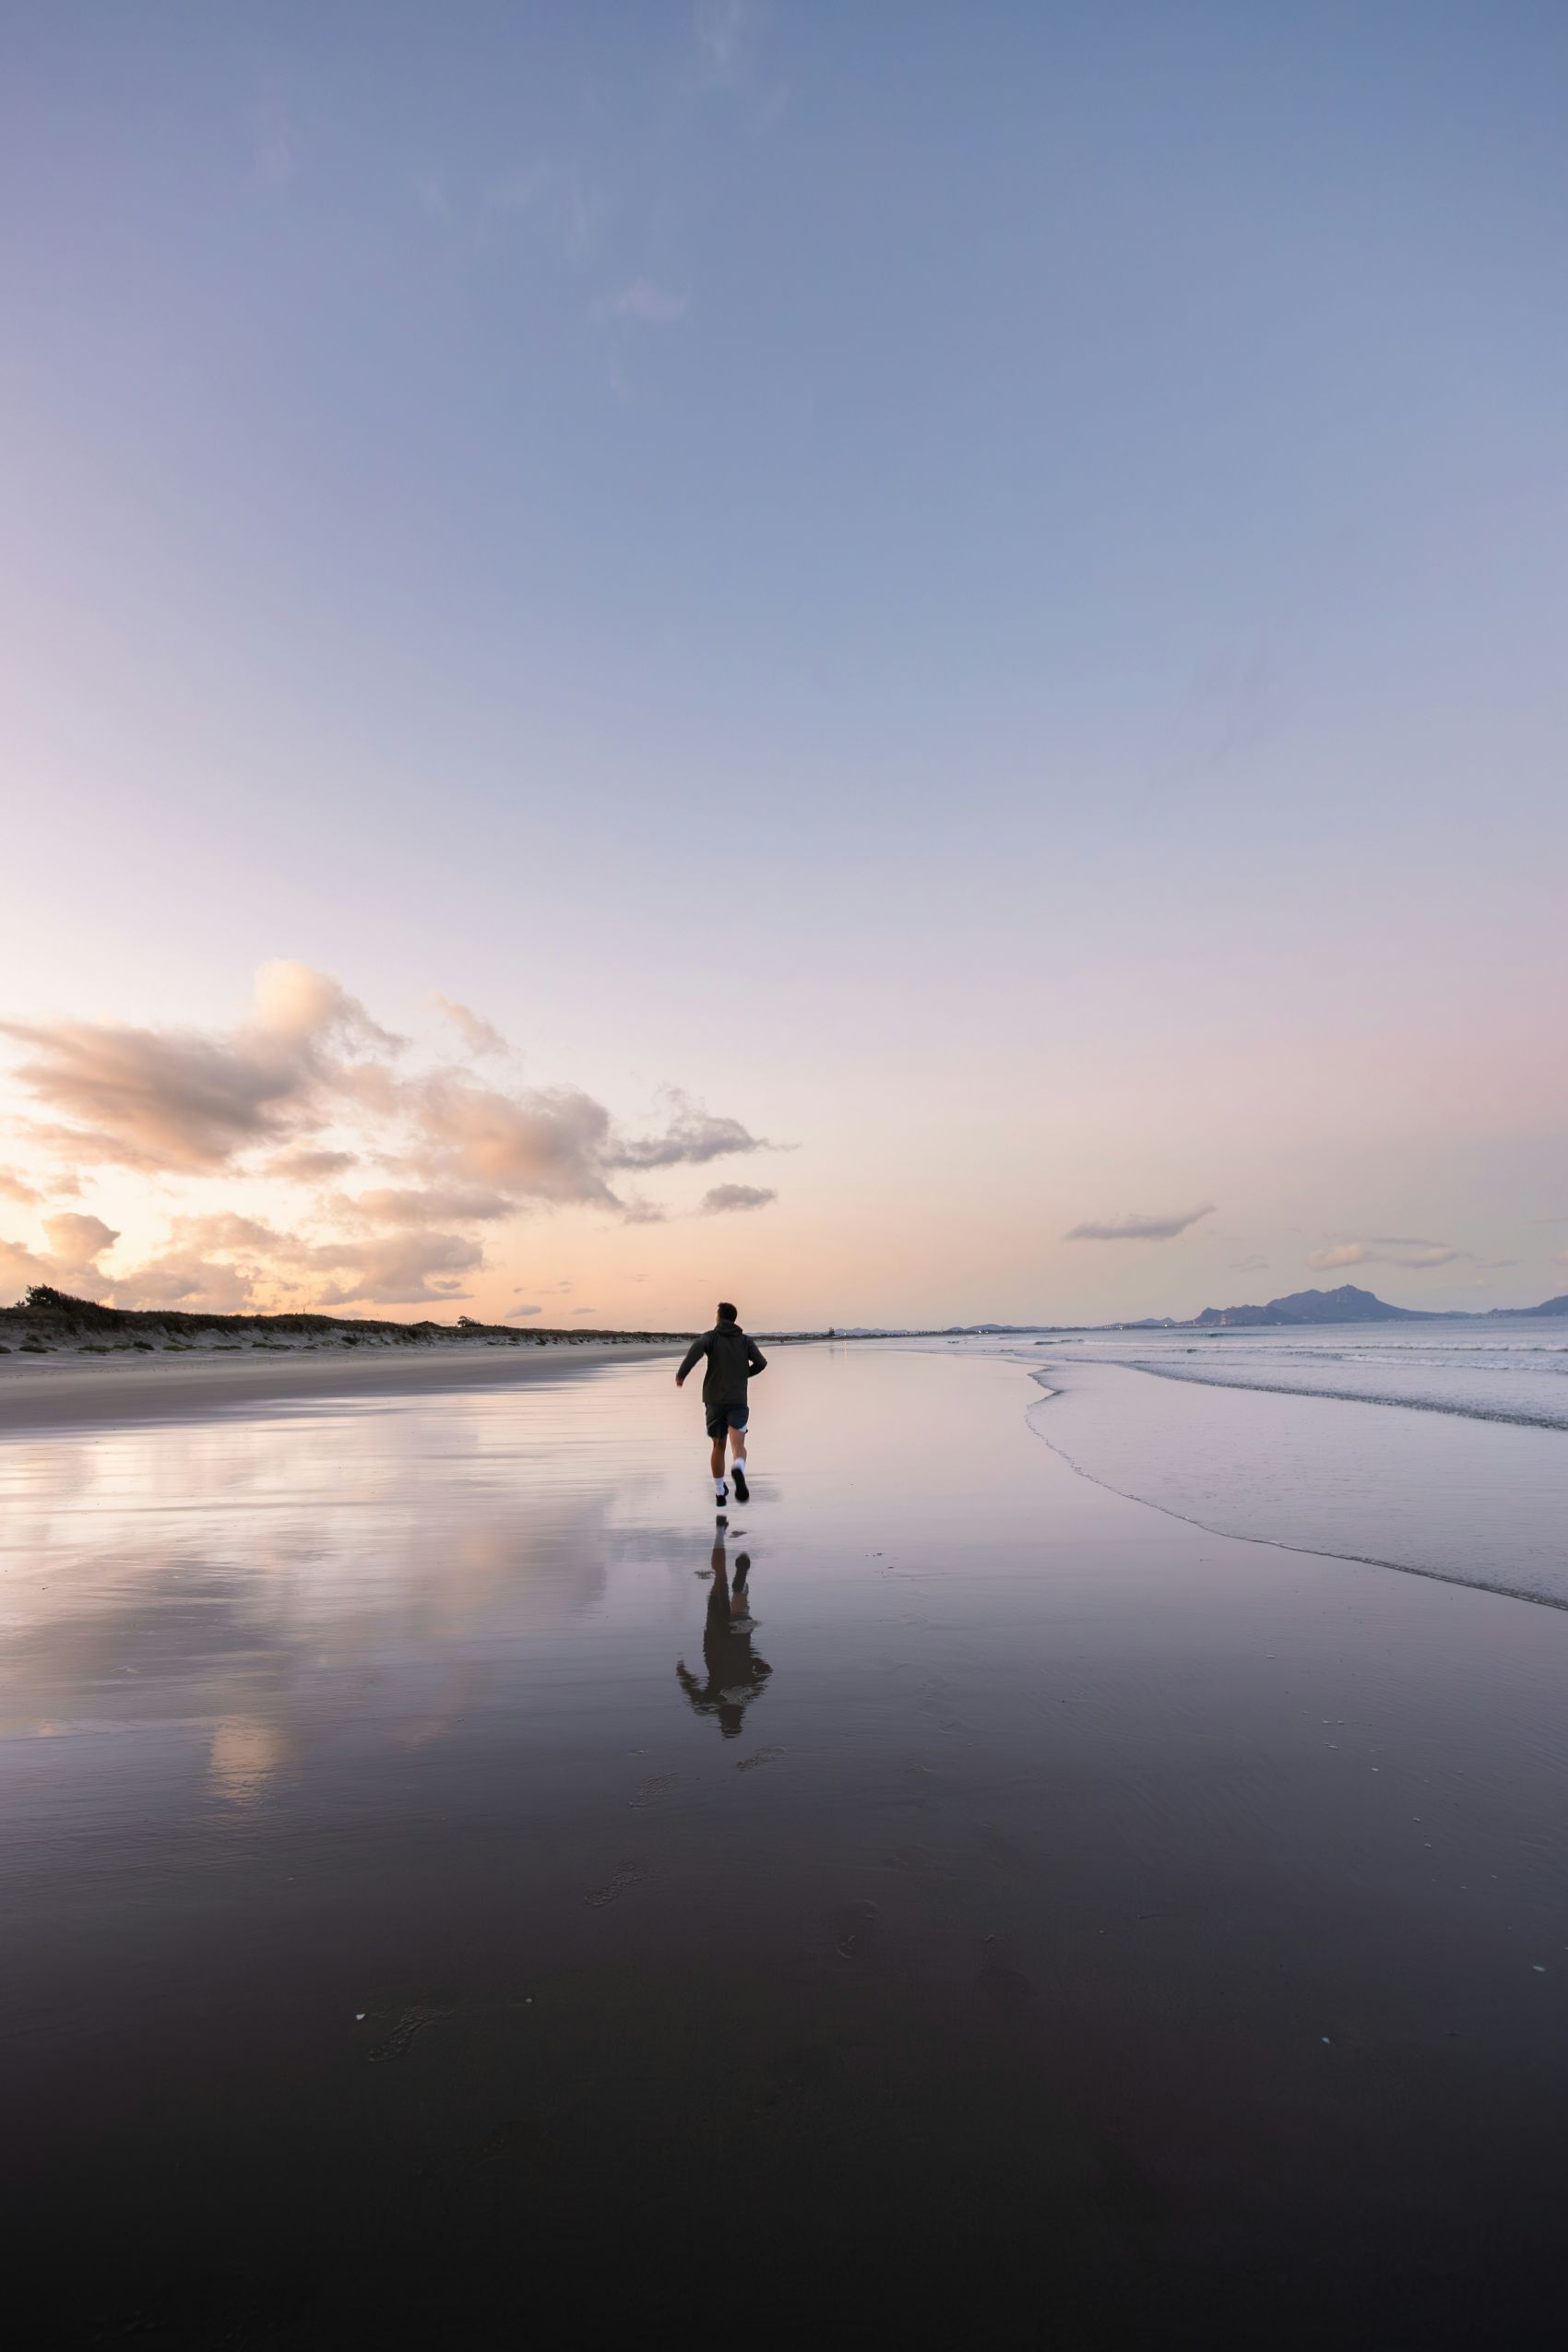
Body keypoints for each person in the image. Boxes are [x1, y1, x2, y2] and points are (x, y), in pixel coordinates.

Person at [675, 1535, 771, 1739]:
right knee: (719, 1581)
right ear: (722, 1719)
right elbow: (691, 1691)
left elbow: (766, 1670)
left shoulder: (749, 1693)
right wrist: (682, 1673)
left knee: (740, 1609)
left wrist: (749, 1657)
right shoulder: (711, 1701)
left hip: (739, 1640)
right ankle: (732, 1581)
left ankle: (740, 1587)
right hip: (715, 1640)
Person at [675, 1301, 767, 1508]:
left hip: (714, 1400)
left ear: (719, 1317)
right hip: (737, 1400)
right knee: (738, 1446)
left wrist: (682, 1373)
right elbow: (761, 1363)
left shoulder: (711, 1337)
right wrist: (743, 1375)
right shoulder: (745, 1340)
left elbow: (696, 1350)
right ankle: (738, 1467)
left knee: (718, 1445)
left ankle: (719, 1492)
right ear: (734, 1318)